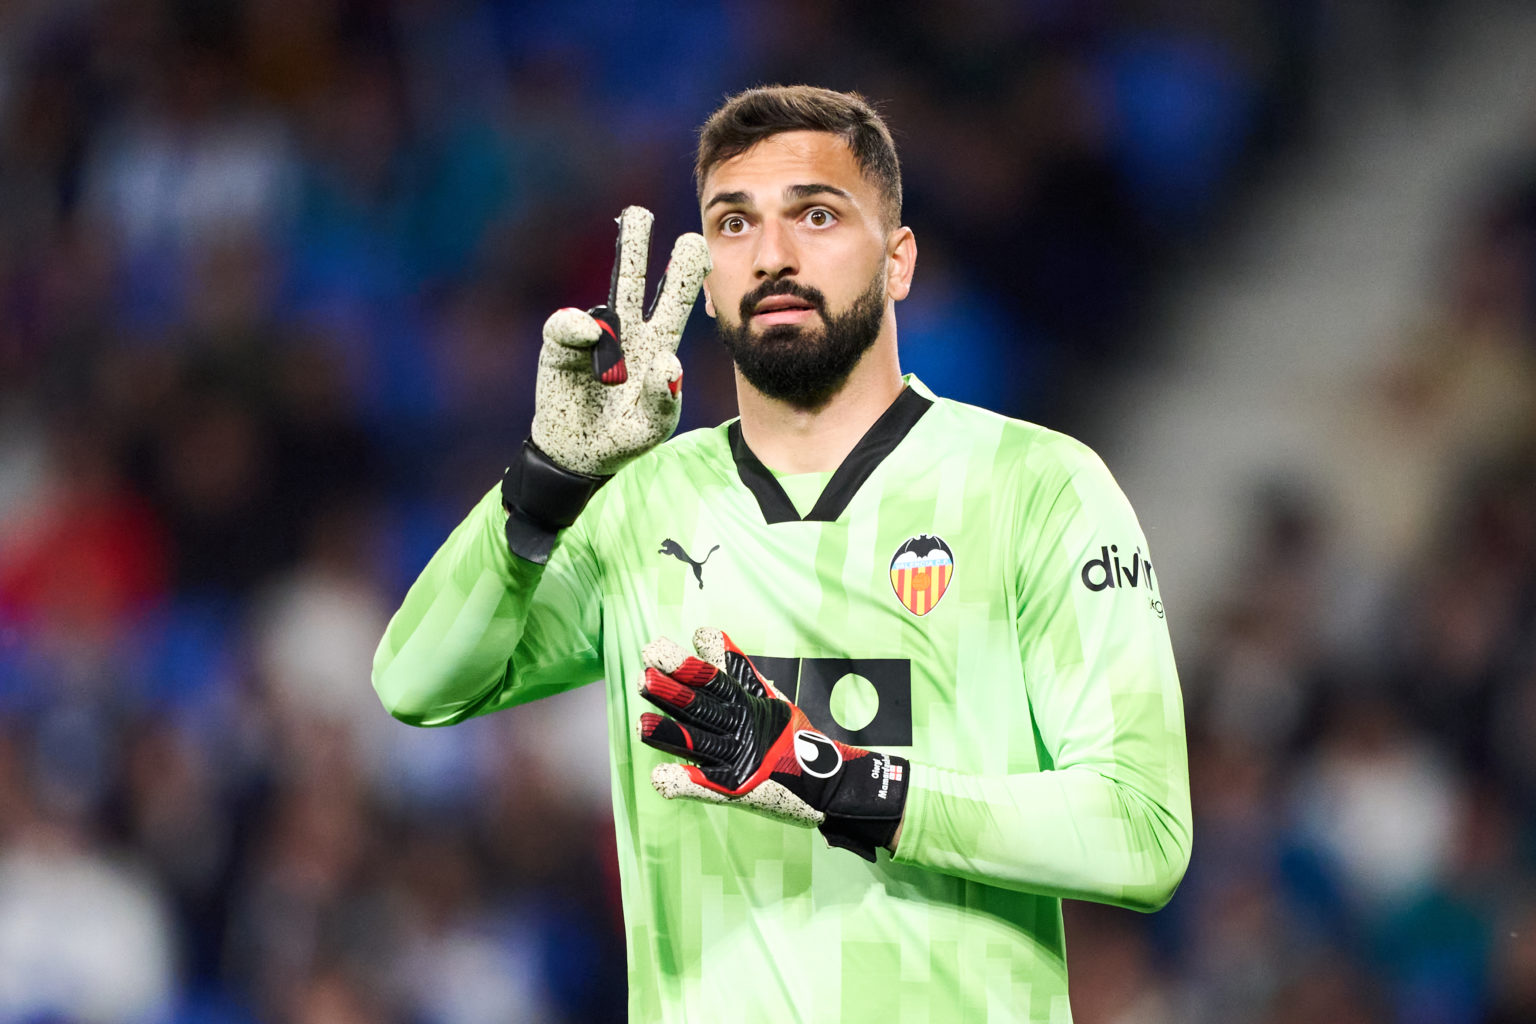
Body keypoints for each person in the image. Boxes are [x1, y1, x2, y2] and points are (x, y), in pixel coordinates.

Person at [373, 85, 1192, 1023]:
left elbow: (1143, 835)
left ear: (898, 261)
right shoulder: (640, 505)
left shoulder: (1037, 487)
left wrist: (833, 778)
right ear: (711, 281)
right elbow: (416, 681)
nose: (773, 255)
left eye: (816, 214)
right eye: (733, 224)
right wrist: (547, 480)